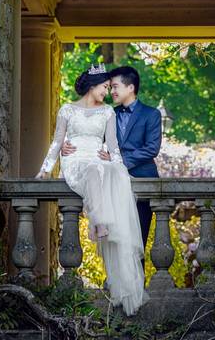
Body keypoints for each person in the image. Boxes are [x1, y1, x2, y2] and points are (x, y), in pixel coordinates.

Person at [35, 65, 148, 316]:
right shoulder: (67, 109)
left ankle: (98, 222)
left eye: (110, 88)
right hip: (74, 163)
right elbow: (56, 142)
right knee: (92, 171)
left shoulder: (108, 112)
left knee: (105, 170)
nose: (107, 93)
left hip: (97, 161)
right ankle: (98, 222)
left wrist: (118, 165)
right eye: (105, 87)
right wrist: (45, 170)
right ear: (92, 85)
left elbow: (113, 145)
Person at [62, 65, 162, 255]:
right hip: (111, 186)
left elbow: (151, 149)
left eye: (115, 86)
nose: (111, 91)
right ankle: (113, 283)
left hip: (142, 182)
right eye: (110, 87)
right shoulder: (108, 113)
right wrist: (68, 146)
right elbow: (90, 140)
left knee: (137, 243)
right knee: (115, 244)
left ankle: (136, 285)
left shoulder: (152, 114)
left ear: (130, 87)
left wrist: (119, 160)